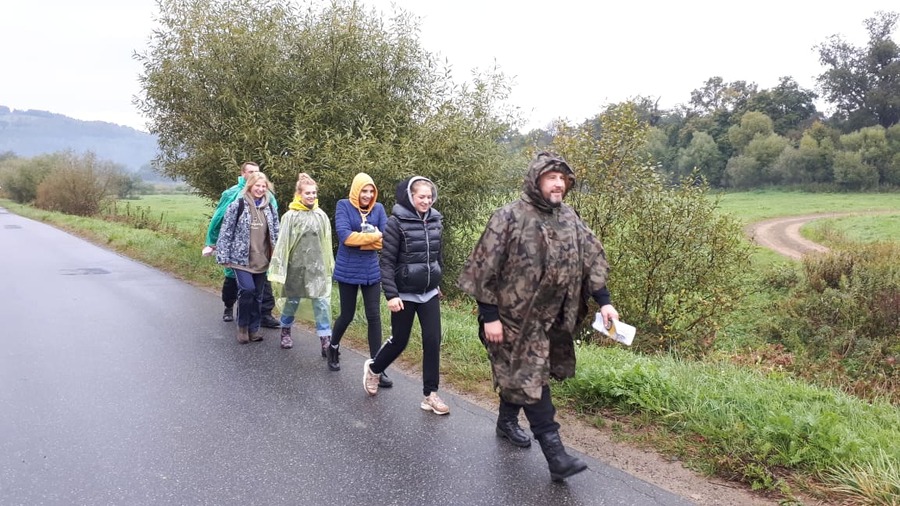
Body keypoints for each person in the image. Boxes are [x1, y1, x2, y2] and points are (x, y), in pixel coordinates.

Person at [457, 151, 619, 482]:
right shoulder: (509, 217)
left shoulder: (569, 217)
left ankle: (505, 422)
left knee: (523, 375)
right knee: (533, 379)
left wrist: (604, 301)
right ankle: (556, 456)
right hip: (512, 318)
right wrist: (489, 316)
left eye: (563, 178)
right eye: (551, 178)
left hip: (553, 319)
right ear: (536, 181)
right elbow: (482, 267)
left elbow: (592, 259)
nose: (558, 184)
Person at [362, 176, 448, 415]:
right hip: (404, 293)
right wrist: (391, 294)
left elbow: (436, 255)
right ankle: (375, 369)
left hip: (429, 292)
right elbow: (387, 261)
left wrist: (436, 280)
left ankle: (430, 394)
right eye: (421, 196)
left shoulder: (436, 219)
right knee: (400, 340)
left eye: (430, 197)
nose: (426, 201)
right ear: (411, 197)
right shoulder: (395, 222)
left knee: (432, 341)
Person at [326, 173, 393, 387]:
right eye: (364, 191)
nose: (367, 195)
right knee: (347, 314)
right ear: (356, 190)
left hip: (371, 271)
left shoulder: (379, 209)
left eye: (371, 191)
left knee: (374, 316)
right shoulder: (343, 206)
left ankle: (376, 368)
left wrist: (364, 240)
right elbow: (346, 237)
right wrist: (375, 236)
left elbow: (387, 239)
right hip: (348, 269)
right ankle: (333, 347)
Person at [203, 161, 280, 328]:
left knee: (262, 285)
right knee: (233, 281)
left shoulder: (268, 197)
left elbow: (274, 223)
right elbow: (219, 219)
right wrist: (212, 242)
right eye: (250, 172)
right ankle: (229, 307)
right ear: (242, 173)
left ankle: (265, 314)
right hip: (238, 250)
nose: (253, 175)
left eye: (257, 172)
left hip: (260, 251)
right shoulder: (232, 194)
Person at [267, 173, 334, 354]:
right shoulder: (290, 216)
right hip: (295, 268)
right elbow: (282, 243)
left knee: (321, 303)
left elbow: (326, 243)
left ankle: (325, 340)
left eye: (314, 193)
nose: (311, 196)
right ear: (299, 194)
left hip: (316, 268)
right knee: (292, 300)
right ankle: (286, 331)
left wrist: (329, 266)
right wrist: (279, 268)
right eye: (308, 193)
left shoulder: (321, 215)